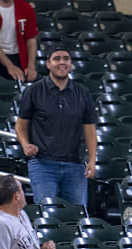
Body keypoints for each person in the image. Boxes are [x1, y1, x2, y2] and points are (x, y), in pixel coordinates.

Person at [15, 45, 97, 206]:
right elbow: (20, 125)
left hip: (75, 165)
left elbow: (90, 129)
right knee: (47, 215)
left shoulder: (82, 92)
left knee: (77, 216)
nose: (62, 63)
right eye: (57, 59)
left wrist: (92, 159)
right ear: (48, 64)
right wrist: (25, 145)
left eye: (66, 59)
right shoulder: (34, 91)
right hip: (42, 164)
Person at [0, 0, 38, 82]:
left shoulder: (26, 7)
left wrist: (31, 66)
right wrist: (10, 66)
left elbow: (31, 38)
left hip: (19, 55)